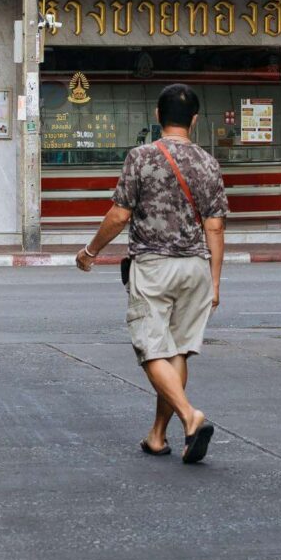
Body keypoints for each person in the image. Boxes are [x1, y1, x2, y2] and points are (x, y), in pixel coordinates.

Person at [76, 83, 228, 464]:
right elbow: (216, 227)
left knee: (150, 351)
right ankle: (158, 436)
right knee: (176, 351)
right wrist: (216, 280)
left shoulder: (141, 157)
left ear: (158, 116)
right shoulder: (209, 163)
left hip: (154, 266)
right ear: (194, 120)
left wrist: (90, 252)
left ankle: (191, 417)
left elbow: (119, 214)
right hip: (196, 269)